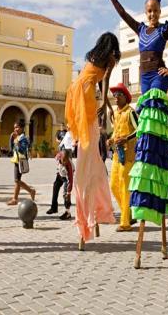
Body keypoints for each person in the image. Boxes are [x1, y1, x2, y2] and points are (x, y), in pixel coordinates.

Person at [104, 0, 168, 266]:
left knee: (153, 124)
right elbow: (123, 15)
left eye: (155, 10)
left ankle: (155, 162)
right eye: (148, 10)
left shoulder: (165, 29)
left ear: (160, 11)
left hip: (159, 78)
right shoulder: (139, 28)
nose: (151, 14)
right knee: (147, 125)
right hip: (144, 78)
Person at [65, 32, 119, 249]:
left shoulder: (93, 57)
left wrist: (103, 105)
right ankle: (90, 216)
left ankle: (89, 218)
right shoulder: (110, 59)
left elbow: (93, 80)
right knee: (89, 154)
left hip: (76, 90)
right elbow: (104, 83)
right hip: (85, 94)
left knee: (89, 154)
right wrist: (104, 106)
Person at [108, 83, 138, 232]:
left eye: (119, 95)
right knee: (114, 185)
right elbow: (115, 132)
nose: (116, 98)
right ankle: (129, 213)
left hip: (128, 155)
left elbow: (139, 130)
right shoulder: (116, 113)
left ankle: (125, 222)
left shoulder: (131, 112)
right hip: (116, 154)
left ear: (125, 97)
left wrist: (126, 138)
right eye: (114, 95)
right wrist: (111, 139)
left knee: (125, 187)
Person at [7, 120, 35, 205]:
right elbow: (11, 149)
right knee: (17, 180)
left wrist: (16, 140)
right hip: (16, 160)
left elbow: (22, 150)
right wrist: (11, 138)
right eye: (14, 127)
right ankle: (17, 198)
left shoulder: (24, 138)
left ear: (22, 128)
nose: (15, 129)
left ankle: (29, 192)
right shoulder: (17, 137)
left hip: (21, 161)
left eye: (17, 127)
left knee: (17, 180)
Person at [47, 149, 74, 220]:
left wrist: (68, 192)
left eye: (66, 160)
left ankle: (67, 213)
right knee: (55, 187)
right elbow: (58, 161)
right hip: (60, 174)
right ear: (60, 157)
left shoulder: (69, 165)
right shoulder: (59, 156)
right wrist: (58, 171)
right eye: (63, 160)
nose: (65, 162)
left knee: (65, 195)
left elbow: (70, 180)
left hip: (67, 178)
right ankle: (54, 208)